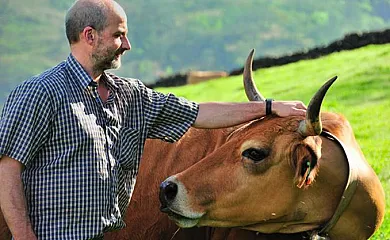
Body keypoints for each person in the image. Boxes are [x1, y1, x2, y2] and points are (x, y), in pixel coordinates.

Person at [0, 0, 306, 239]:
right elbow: (8, 169)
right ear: (89, 36)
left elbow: (199, 113)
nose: (128, 44)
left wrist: (268, 108)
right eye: (119, 35)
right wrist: (24, 236)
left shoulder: (129, 95)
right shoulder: (40, 93)